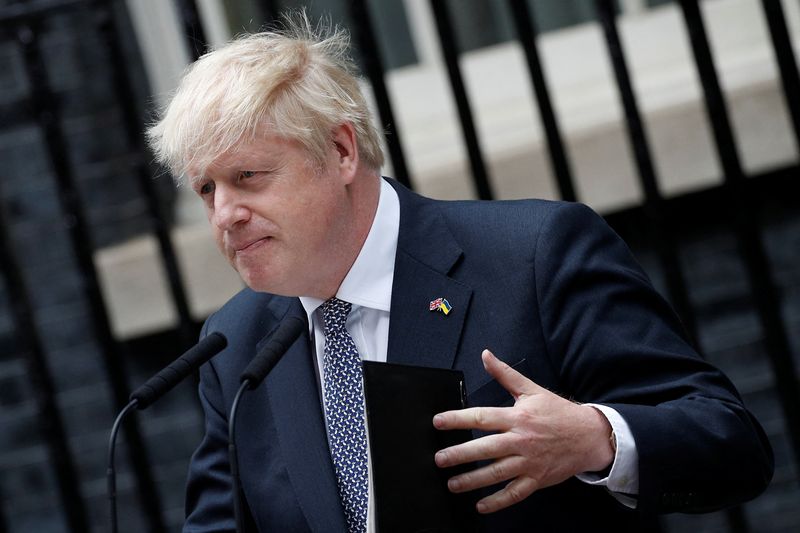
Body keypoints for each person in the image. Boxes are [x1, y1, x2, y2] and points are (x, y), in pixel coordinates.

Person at [147, 14, 773, 533]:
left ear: (339, 151)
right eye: (206, 189)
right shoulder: (237, 341)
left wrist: (594, 439)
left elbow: (729, 442)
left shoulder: (532, 254)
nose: (225, 214)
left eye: (247, 177)